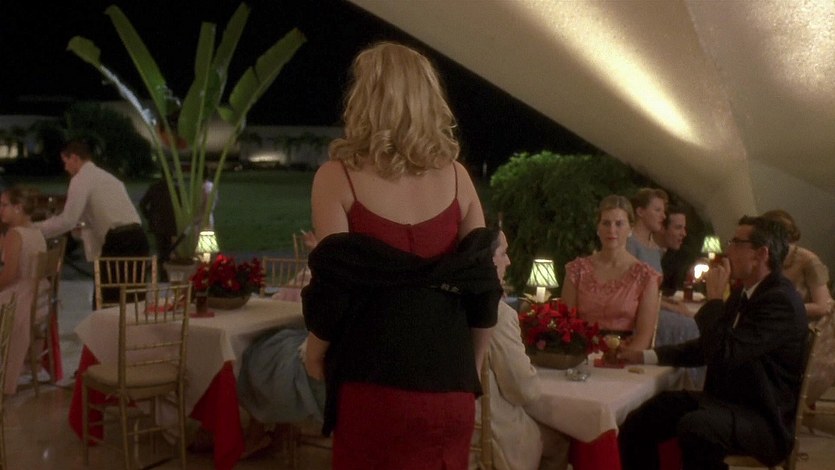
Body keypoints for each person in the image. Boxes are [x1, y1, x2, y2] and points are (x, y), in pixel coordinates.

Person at [302, 42, 498, 469]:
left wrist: (314, 352)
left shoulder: (337, 178)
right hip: (451, 388)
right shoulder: (458, 178)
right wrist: (471, 365)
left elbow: (333, 291)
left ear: (365, 98)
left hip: (374, 383)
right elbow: (484, 289)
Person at [618, 216, 808, 470]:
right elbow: (706, 347)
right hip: (728, 403)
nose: (728, 251)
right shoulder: (745, 292)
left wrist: (715, 300)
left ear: (761, 254)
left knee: (698, 428)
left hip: (763, 418)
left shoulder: (780, 301)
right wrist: (645, 355)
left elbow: (724, 352)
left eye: (736, 243)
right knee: (641, 419)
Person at [469, 230, 569, 470]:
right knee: (560, 442)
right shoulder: (496, 313)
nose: (509, 261)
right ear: (487, 259)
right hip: (489, 436)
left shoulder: (443, 307)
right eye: (503, 253)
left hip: (451, 431)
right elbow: (522, 389)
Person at [34, 137, 149, 306]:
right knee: (132, 300)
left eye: (65, 162)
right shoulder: (108, 178)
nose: (65, 168)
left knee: (107, 299)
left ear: (74, 158)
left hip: (119, 242)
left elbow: (68, 220)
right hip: (138, 238)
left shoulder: (81, 179)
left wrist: (33, 230)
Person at [561, 195, 661, 350]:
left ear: (630, 229)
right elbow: (566, 324)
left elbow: (644, 336)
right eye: (606, 223)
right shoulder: (577, 270)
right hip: (580, 352)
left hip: (624, 354)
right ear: (598, 228)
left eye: (619, 224)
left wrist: (622, 357)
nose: (612, 230)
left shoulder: (646, 276)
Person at [0, 186, 48, 394]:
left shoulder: (15, 234)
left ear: (18, 207)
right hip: (39, 297)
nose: (0, 209)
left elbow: (9, 276)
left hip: (21, 296)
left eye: (4, 205)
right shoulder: (36, 231)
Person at [761, 209, 832, 319]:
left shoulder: (809, 260)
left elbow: (822, 306)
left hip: (812, 324)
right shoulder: (766, 258)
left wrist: (782, 310)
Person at [626, 187, 668, 274]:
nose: (663, 216)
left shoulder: (656, 249)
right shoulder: (628, 242)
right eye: (657, 210)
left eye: (663, 211)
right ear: (640, 212)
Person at [138, 178, 177, 265]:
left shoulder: (154, 188)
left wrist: (148, 216)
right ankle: (166, 264)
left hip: (157, 222)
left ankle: (162, 265)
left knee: (161, 247)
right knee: (168, 246)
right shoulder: (174, 188)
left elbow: (142, 204)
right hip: (170, 222)